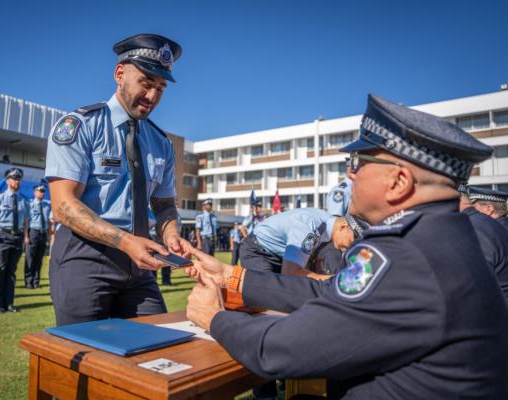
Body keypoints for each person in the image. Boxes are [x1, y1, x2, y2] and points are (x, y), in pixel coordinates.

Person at [186, 94, 508, 399]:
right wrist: (234, 277)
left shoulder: (405, 254)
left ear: (398, 182)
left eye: (359, 161)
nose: (350, 175)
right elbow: (332, 294)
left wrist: (214, 317)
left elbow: (282, 350)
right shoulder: (443, 236)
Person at [45, 33, 191, 326]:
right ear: (119, 74)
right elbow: (63, 206)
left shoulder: (160, 142)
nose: (152, 97)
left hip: (139, 267)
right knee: (85, 356)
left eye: (161, 88)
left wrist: (171, 235)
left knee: (159, 348)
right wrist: (125, 242)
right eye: (146, 84)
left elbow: (164, 205)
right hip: (85, 258)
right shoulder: (80, 126)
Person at [240, 208, 366, 274]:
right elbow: (291, 272)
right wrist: (331, 281)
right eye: (354, 239)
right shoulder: (312, 226)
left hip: (277, 255)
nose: (352, 246)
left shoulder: (328, 229)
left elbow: (312, 267)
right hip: (259, 252)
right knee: (270, 302)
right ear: (343, 226)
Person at [0, 168, 30, 313]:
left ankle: (9, 303)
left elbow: (25, 221)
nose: (17, 181)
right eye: (14, 178)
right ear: (7, 181)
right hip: (3, 236)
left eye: (19, 178)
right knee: (0, 270)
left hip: (17, 237)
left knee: (11, 271)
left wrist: (26, 237)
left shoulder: (24, 200)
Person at [458, 185, 508, 299]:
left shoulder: (479, 228)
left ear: (488, 208)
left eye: (475, 205)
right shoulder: (496, 225)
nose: (473, 208)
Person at [24, 184, 52, 289]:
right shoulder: (29, 204)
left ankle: (36, 282)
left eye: (43, 191)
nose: (42, 193)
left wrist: (49, 235)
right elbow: (26, 221)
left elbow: (49, 222)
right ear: (34, 192)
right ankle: (28, 282)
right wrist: (26, 236)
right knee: (30, 258)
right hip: (33, 232)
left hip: (43, 233)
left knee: (39, 259)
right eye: (40, 191)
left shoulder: (46, 205)